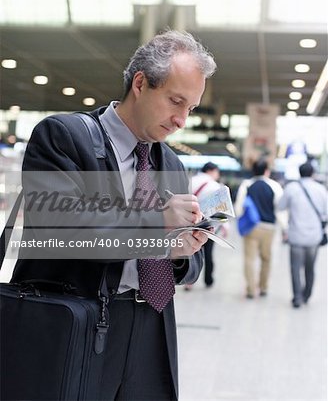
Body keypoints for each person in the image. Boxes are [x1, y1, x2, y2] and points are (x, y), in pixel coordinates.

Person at [10, 30, 217, 400]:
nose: (181, 119)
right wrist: (157, 221)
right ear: (141, 83)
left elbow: (190, 265)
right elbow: (64, 232)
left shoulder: (170, 163)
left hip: (152, 327)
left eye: (191, 108)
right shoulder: (63, 137)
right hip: (76, 321)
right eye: (175, 101)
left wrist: (183, 252)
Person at [278, 162, 327, 308]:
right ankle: (307, 295)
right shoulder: (321, 190)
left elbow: (280, 207)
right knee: (310, 268)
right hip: (314, 237)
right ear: (312, 173)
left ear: (299, 173)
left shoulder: (291, 188)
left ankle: (297, 297)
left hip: (296, 236)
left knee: (295, 268)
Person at [235, 159, 283, 299]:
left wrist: (241, 219)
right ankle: (263, 287)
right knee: (266, 258)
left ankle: (250, 290)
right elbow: (279, 209)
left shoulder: (247, 184)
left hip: (251, 227)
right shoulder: (275, 186)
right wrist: (285, 227)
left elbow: (239, 207)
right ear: (267, 171)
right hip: (269, 228)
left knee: (249, 259)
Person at [185, 162, 228, 289]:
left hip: (188, 222)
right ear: (212, 171)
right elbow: (222, 210)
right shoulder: (215, 186)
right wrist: (225, 226)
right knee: (208, 253)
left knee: (189, 251)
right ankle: (208, 279)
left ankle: (188, 282)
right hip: (207, 224)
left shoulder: (190, 181)